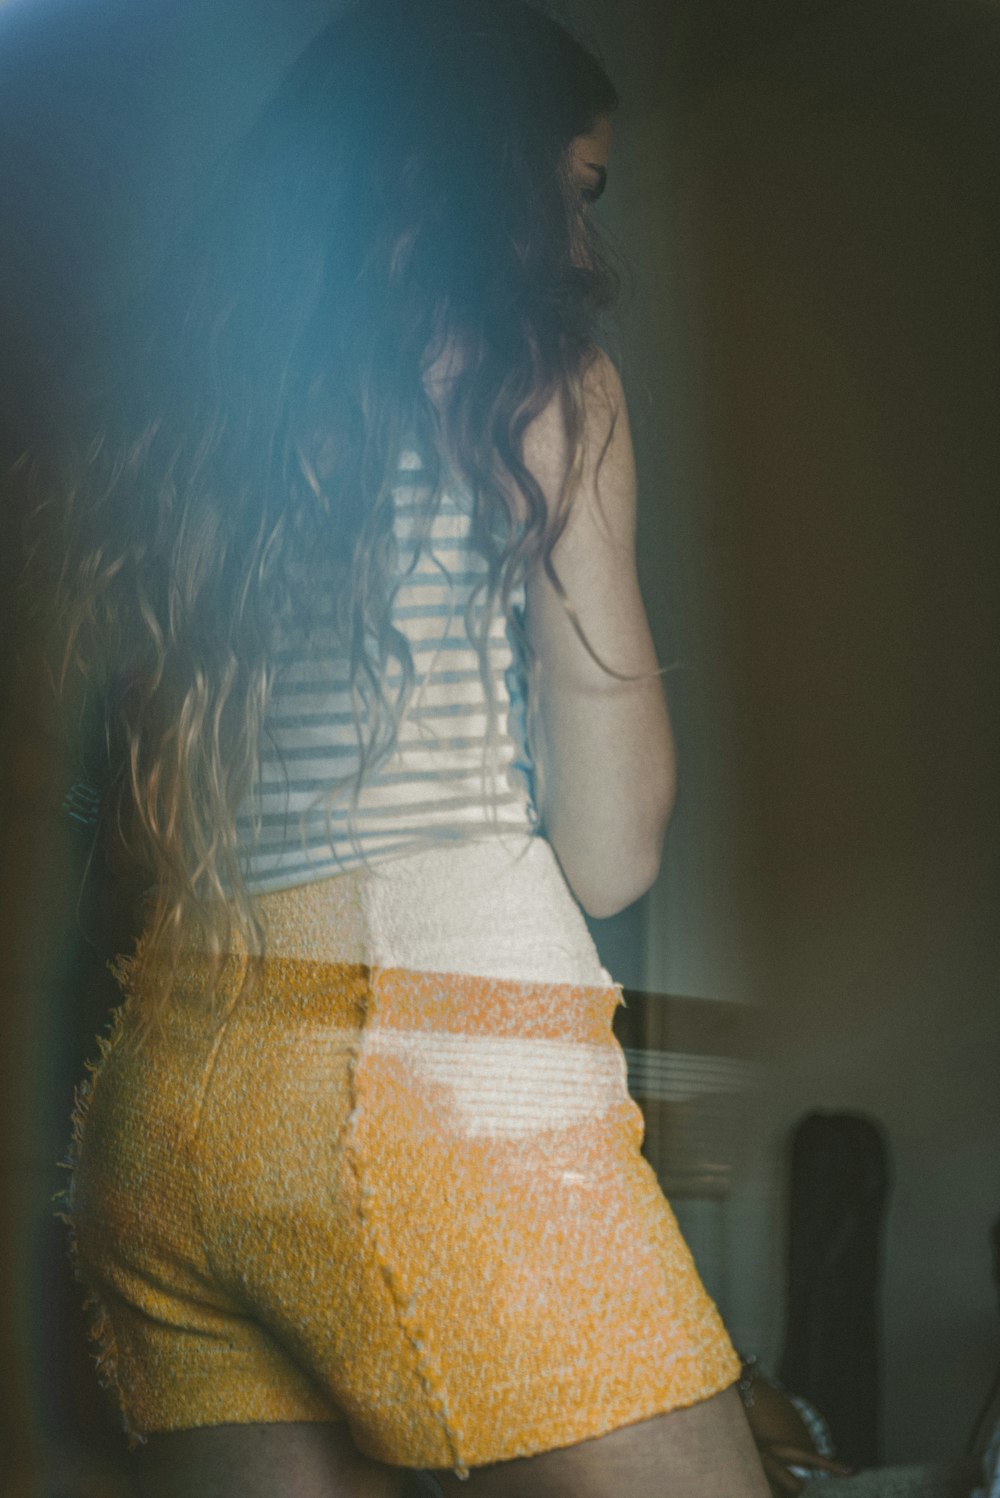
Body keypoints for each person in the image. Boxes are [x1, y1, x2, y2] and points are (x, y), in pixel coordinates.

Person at [17, 1, 773, 1494]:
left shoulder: (193, 421)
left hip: (166, 1116)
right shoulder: (547, 388)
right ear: (487, 176)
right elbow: (618, 839)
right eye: (573, 183)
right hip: (440, 1072)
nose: (576, 222)